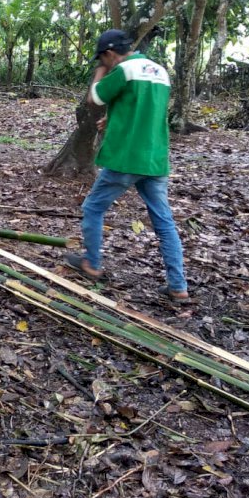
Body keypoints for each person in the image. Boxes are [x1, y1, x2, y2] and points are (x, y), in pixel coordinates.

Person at [65, 29, 189, 303]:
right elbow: (142, 108)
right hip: (155, 158)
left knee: (93, 207)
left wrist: (100, 72)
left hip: (126, 157)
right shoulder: (160, 71)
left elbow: (94, 98)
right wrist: (114, 118)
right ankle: (178, 285)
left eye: (104, 58)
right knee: (164, 221)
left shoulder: (124, 70)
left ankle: (92, 264)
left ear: (110, 53)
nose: (105, 63)